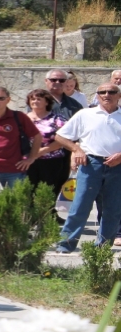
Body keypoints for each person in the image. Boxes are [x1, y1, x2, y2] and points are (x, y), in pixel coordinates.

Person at [54, 83, 121, 254]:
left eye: (112, 92)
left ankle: (103, 248)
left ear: (118, 95)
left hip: (117, 166)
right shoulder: (85, 114)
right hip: (91, 164)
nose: (107, 95)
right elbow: (60, 136)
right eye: (102, 92)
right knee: (80, 206)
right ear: (97, 95)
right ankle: (66, 244)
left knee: (112, 209)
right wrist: (76, 149)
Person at [25, 89, 68, 225]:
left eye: (39, 99)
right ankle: (30, 219)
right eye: (32, 99)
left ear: (47, 102)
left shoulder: (57, 118)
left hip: (51, 161)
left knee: (49, 190)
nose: (35, 101)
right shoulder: (23, 119)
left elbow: (65, 138)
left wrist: (43, 150)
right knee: (29, 190)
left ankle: (46, 218)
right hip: (27, 162)